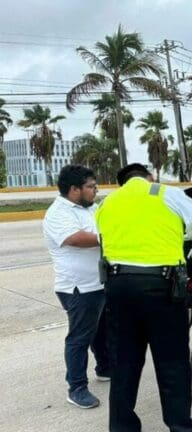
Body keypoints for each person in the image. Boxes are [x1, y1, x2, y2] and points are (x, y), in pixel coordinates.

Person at [95, 163, 192, 432]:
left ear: (122, 183)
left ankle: (122, 427)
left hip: (118, 286)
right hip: (162, 286)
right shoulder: (167, 194)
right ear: (150, 177)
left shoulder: (107, 203)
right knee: (171, 361)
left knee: (123, 361)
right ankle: (181, 426)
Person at [43, 164, 110, 409]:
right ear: (74, 189)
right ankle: (77, 387)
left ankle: (105, 368)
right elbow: (76, 239)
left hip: (99, 283)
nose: (96, 190)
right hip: (77, 287)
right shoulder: (58, 212)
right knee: (80, 337)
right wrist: (113, 236)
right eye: (91, 187)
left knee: (102, 330)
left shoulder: (91, 208)